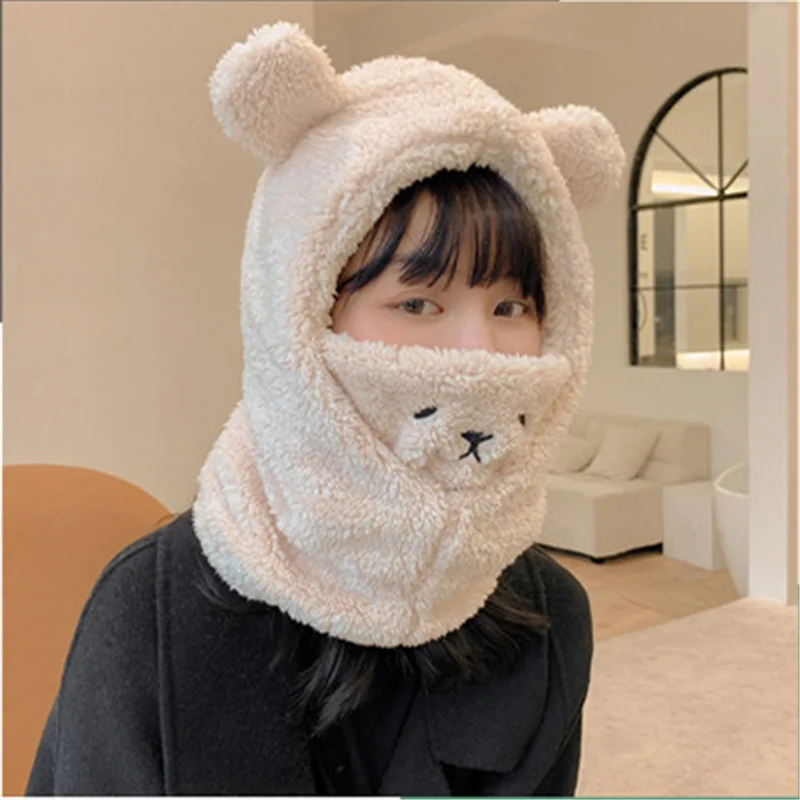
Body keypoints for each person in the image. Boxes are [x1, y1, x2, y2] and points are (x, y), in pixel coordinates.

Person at [26, 21, 624, 797]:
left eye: (512, 306)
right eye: (418, 302)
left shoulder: (552, 620)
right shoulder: (150, 612)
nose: (482, 354)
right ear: (302, 316)